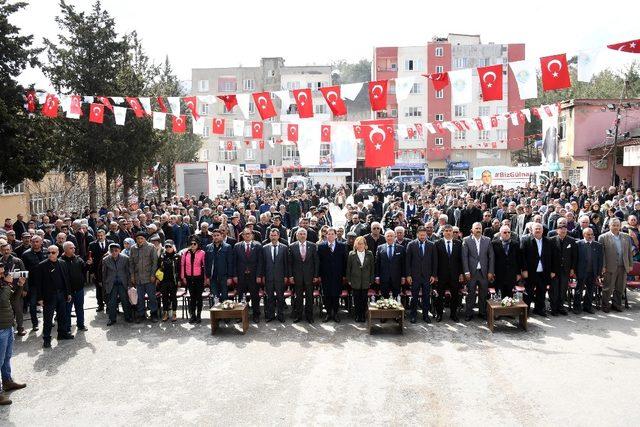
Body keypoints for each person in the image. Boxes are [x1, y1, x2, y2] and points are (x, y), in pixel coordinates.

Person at [35, 246, 74, 348]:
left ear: (57, 253)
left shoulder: (62, 263)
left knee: (62, 316)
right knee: (48, 319)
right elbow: (38, 284)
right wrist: (39, 298)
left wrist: (68, 293)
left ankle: (62, 334)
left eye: (52, 252)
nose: (50, 254)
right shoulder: (42, 266)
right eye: (48, 253)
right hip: (49, 296)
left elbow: (66, 279)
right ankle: (47, 339)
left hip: (61, 294)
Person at [0, 262, 27, 405]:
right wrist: (7, 284)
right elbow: (2, 300)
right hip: (0, 328)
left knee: (6, 357)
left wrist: (20, 285)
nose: (4, 276)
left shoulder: (3, 285)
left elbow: (12, 300)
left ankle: (7, 381)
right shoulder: (4, 285)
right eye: (1, 274)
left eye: (4, 273)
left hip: (8, 326)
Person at [598, 218, 633, 312]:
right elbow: (602, 254)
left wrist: (630, 264)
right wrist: (603, 266)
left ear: (620, 226)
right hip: (610, 267)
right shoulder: (603, 237)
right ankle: (605, 305)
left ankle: (616, 305)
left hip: (623, 266)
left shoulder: (626, 236)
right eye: (614, 225)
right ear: (609, 226)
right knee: (608, 288)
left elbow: (629, 252)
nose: (616, 227)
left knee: (620, 287)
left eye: (618, 225)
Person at [461, 222, 495, 321]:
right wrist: (466, 271)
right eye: (476, 228)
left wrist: (490, 271)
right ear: (472, 230)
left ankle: (482, 312)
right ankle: (469, 313)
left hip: (484, 272)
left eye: (480, 228)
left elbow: (491, 257)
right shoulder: (466, 240)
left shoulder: (487, 240)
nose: (478, 230)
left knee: (483, 293)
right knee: (470, 293)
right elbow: (464, 257)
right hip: (471, 272)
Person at [520, 223, 554, 316]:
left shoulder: (548, 241)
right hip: (530, 271)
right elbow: (522, 256)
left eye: (539, 229)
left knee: (541, 291)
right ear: (531, 230)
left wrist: (552, 271)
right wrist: (524, 270)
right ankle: (525, 311)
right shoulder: (526, 240)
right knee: (528, 292)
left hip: (543, 271)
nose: (538, 230)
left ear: (543, 230)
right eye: (536, 229)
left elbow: (552, 257)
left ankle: (539, 309)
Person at [405, 226, 437, 323]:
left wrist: (433, 275)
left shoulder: (432, 245)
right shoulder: (411, 245)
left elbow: (434, 262)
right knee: (414, 297)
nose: (423, 237)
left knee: (426, 297)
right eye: (421, 235)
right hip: (415, 276)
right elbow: (408, 262)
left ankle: (425, 315)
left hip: (427, 276)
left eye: (424, 235)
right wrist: (408, 275)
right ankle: (413, 315)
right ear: (417, 234)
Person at [288, 228, 319, 323]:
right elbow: (290, 263)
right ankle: (299, 316)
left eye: (304, 234)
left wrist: (315, 275)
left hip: (309, 276)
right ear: (297, 236)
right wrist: (291, 276)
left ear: (306, 235)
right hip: (297, 277)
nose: (302, 235)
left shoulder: (313, 246)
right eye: (300, 234)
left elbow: (316, 262)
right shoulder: (292, 246)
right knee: (299, 297)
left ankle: (309, 316)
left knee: (310, 297)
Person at [434, 225, 464, 322]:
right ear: (443, 232)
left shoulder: (459, 243)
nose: (448, 232)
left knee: (455, 295)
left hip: (454, 275)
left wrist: (461, 273)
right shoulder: (437, 243)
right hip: (441, 275)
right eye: (446, 231)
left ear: (453, 232)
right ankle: (439, 314)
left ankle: (453, 314)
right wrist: (435, 275)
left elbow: (461, 260)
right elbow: (435, 261)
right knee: (440, 296)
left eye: (450, 231)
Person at [233, 228, 263, 323]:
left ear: (252, 235)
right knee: (241, 296)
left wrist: (259, 275)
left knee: (255, 296)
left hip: (253, 276)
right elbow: (234, 262)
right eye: (245, 234)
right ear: (242, 236)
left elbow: (260, 263)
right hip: (241, 276)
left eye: (249, 234)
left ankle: (256, 314)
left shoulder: (258, 246)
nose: (247, 235)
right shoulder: (237, 246)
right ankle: (240, 315)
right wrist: (235, 275)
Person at [317, 228, 347, 322]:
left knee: (336, 295)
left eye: (332, 234)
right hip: (325, 276)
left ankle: (336, 313)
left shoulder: (342, 246)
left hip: (337, 275)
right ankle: (328, 313)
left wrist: (344, 275)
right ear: (326, 235)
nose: (330, 235)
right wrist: (318, 275)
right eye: (328, 234)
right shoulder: (321, 246)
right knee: (327, 295)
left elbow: (344, 261)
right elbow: (319, 262)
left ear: (335, 235)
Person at [129, 232, 159, 323]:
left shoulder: (151, 247)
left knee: (152, 297)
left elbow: (155, 263)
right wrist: (132, 276)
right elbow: (131, 263)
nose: (140, 240)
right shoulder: (133, 248)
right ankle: (141, 314)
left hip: (149, 277)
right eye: (138, 239)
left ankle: (154, 314)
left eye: (141, 238)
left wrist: (153, 275)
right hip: (138, 278)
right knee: (140, 297)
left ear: (145, 239)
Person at [59, 241, 88, 332]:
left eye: (74, 248)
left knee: (79, 308)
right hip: (68, 292)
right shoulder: (60, 261)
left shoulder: (78, 259)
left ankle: (81, 325)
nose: (74, 249)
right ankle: (67, 328)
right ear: (65, 250)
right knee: (67, 310)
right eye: (71, 248)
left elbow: (84, 269)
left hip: (79, 289)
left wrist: (88, 264)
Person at [261, 229, 289, 322]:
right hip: (268, 277)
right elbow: (263, 264)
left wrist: (286, 276)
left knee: (280, 298)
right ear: (269, 236)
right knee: (270, 298)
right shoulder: (264, 248)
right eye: (271, 235)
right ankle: (270, 315)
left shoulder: (284, 248)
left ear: (278, 236)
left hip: (280, 277)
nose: (273, 237)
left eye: (275, 235)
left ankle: (281, 316)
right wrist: (263, 276)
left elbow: (286, 263)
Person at [549, 221, 577, 316]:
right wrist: (551, 270)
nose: (563, 231)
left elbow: (574, 256)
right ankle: (554, 308)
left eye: (565, 229)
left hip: (566, 269)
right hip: (554, 270)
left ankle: (561, 307)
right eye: (561, 229)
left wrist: (572, 269)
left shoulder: (571, 240)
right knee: (554, 290)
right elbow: (549, 257)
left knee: (563, 289)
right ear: (557, 230)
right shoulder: (551, 240)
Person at [102, 243, 133, 325]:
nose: (114, 252)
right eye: (112, 251)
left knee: (125, 300)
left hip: (122, 283)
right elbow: (104, 273)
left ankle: (128, 316)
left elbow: (128, 272)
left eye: (116, 250)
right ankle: (112, 319)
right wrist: (105, 285)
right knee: (112, 302)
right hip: (112, 284)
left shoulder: (125, 258)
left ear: (119, 250)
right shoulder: (105, 260)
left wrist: (130, 284)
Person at [20, 236, 46, 332]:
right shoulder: (26, 255)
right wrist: (24, 287)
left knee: (48, 303)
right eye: (33, 242)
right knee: (33, 304)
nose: (35, 243)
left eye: (37, 242)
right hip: (33, 284)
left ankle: (48, 320)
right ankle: (35, 324)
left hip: (45, 283)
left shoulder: (46, 252)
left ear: (41, 242)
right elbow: (23, 271)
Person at [346, 236, 375, 323]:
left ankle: (363, 315)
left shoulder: (369, 254)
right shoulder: (351, 254)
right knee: (357, 299)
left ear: (364, 244)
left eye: (362, 243)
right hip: (355, 280)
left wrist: (371, 280)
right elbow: (348, 268)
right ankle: (357, 315)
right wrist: (349, 280)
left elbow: (372, 268)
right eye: (358, 244)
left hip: (366, 280)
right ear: (356, 245)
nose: (360, 245)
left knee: (364, 299)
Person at [574, 228, 603, 314]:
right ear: (584, 235)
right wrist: (575, 271)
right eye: (588, 234)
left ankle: (587, 306)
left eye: (591, 234)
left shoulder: (598, 245)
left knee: (590, 290)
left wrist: (598, 273)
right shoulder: (578, 244)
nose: (590, 236)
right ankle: (577, 307)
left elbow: (600, 260)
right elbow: (575, 259)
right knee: (579, 290)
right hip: (581, 272)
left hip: (592, 272)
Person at [0, 244, 26, 336]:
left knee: (18, 309)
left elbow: (24, 275)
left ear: (11, 250)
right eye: (4, 250)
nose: (6, 252)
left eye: (8, 250)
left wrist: (24, 289)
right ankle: (9, 327)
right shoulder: (0, 262)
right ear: (1, 251)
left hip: (17, 288)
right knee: (7, 310)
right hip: (4, 290)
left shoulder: (17, 261)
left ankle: (20, 328)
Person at [204, 230, 234, 306]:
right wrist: (207, 277)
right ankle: (217, 317)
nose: (216, 237)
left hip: (224, 277)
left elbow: (230, 263)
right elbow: (206, 264)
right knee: (215, 297)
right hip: (213, 277)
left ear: (222, 236)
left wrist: (230, 277)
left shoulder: (227, 247)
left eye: (218, 235)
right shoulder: (208, 247)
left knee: (225, 298)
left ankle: (224, 316)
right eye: (214, 236)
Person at [491, 226, 521, 298]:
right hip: (498, 274)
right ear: (500, 233)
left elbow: (519, 260)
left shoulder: (515, 244)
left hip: (511, 274)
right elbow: (492, 259)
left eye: (508, 232)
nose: (507, 234)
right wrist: (492, 272)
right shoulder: (494, 244)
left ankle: (509, 309)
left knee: (509, 296)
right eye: (505, 232)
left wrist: (518, 273)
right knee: (499, 295)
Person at [181, 238, 206, 324]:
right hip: (189, 278)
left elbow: (205, 266)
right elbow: (182, 265)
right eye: (191, 243)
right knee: (192, 297)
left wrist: (206, 278)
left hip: (199, 278)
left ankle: (198, 315)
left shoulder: (202, 253)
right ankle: (193, 315)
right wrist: (183, 276)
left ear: (198, 244)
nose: (193, 245)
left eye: (195, 243)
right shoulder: (186, 253)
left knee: (199, 297)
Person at [88, 229, 113, 312]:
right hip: (97, 270)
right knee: (98, 289)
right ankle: (100, 305)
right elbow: (90, 259)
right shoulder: (92, 245)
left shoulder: (111, 243)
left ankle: (110, 305)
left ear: (105, 235)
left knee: (109, 288)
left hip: (110, 270)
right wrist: (91, 272)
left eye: (102, 235)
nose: (100, 237)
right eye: (98, 236)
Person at [157, 240, 180, 322]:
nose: (168, 248)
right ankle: (165, 313)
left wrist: (179, 280)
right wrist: (157, 279)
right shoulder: (162, 256)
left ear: (173, 247)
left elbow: (179, 269)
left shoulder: (177, 256)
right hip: (164, 280)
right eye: (166, 246)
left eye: (169, 246)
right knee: (165, 297)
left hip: (173, 280)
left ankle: (174, 313)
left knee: (173, 297)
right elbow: (158, 267)